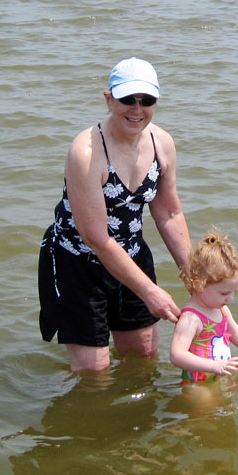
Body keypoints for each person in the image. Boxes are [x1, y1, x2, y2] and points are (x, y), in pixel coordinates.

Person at [38, 57, 192, 372]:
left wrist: (196, 278)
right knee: (94, 373)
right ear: (109, 99)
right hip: (78, 260)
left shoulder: (162, 144)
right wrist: (150, 291)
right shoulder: (86, 153)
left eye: (146, 100)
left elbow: (169, 213)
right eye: (128, 99)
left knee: (144, 355)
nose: (137, 109)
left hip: (131, 251)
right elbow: (95, 237)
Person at [170, 230, 238, 384]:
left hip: (218, 375)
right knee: (204, 408)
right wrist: (214, 366)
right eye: (224, 293)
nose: (231, 298)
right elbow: (177, 355)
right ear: (199, 285)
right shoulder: (191, 319)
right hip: (197, 384)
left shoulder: (221, 310)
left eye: (234, 291)